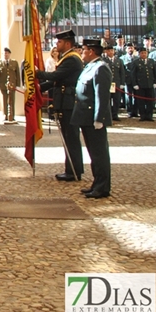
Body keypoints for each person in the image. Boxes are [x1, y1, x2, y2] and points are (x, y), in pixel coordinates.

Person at [36, 29, 84, 182]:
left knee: (71, 138)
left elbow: (56, 76)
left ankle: (74, 171)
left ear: (68, 43)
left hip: (68, 103)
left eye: (59, 42)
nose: (57, 44)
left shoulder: (72, 59)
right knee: (68, 138)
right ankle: (71, 169)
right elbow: (56, 81)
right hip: (64, 102)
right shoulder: (66, 57)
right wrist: (39, 88)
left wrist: (38, 73)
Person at [72, 39, 112, 199]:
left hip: (93, 119)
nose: (82, 53)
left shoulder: (101, 68)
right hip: (85, 117)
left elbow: (101, 96)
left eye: (84, 50)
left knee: (99, 154)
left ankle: (103, 187)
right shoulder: (90, 67)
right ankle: (97, 183)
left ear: (92, 51)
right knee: (93, 153)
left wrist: (99, 118)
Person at [132, 46, 156, 122]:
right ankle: (142, 115)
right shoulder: (136, 62)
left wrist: (155, 82)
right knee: (141, 101)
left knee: (150, 101)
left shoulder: (152, 61)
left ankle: (149, 115)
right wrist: (135, 84)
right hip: (140, 85)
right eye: (142, 53)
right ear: (139, 54)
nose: (144, 54)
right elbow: (133, 74)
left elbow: (155, 73)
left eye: (145, 53)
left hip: (150, 84)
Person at [0, 48, 20, 124]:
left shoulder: (14, 63)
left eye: (7, 53)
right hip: (3, 84)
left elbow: (17, 74)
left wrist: (18, 84)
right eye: (4, 53)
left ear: (9, 54)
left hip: (12, 85)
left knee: (12, 100)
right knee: (4, 100)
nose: (6, 55)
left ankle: (12, 115)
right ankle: (5, 115)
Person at [105, 44, 125, 121]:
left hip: (116, 83)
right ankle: (108, 115)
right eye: (108, 51)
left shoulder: (119, 60)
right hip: (108, 83)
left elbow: (122, 73)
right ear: (106, 52)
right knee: (108, 100)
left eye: (112, 50)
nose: (110, 52)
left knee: (117, 100)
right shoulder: (103, 60)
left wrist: (122, 83)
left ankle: (115, 114)